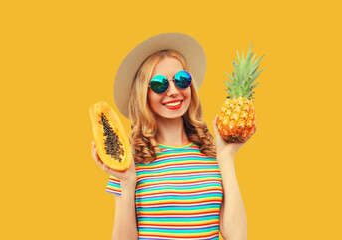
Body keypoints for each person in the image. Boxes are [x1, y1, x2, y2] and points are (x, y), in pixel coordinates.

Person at [91, 33, 256, 240]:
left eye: (181, 80)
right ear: (144, 92)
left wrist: (226, 157)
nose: (173, 91)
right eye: (160, 84)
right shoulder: (129, 158)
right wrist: (127, 181)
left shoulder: (212, 153)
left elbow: (237, 236)